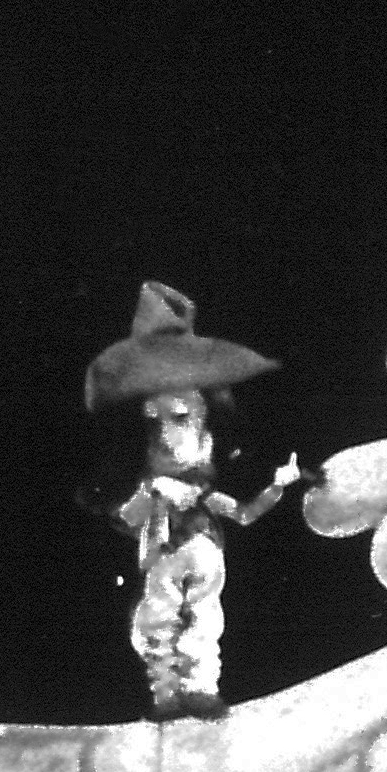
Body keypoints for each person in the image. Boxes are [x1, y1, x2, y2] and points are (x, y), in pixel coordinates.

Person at [79, 282, 304, 718]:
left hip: (202, 558)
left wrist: (278, 485)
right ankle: (165, 690)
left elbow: (243, 514)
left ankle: (200, 687)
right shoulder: (153, 487)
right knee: (156, 619)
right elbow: (127, 517)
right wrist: (153, 492)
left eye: (180, 418)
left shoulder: (206, 495)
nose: (166, 436)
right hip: (161, 561)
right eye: (153, 423)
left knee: (204, 618)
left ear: (207, 428)